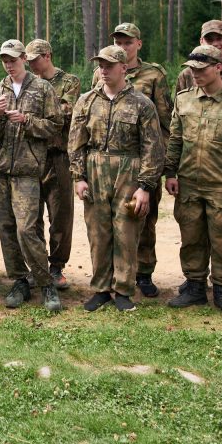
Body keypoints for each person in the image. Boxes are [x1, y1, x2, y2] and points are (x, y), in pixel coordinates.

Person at [164, 45, 222, 316]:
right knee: (191, 237)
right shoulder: (184, 100)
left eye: (201, 69)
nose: (195, 74)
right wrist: (170, 173)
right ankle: (195, 287)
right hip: (189, 183)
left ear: (218, 67)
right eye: (192, 69)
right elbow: (175, 140)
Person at [71, 45, 163, 312]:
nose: (104, 69)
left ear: (124, 68)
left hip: (129, 170)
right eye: (100, 65)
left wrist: (145, 187)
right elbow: (76, 142)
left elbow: (152, 147)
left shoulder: (142, 104)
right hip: (95, 168)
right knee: (98, 232)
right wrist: (79, 177)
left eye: (109, 65)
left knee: (126, 232)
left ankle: (123, 289)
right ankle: (101, 288)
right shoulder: (86, 101)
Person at [92, 23, 173, 297]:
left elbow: (164, 121)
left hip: (142, 161)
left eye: (128, 42)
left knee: (143, 219)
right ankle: (112, 276)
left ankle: (145, 272)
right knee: (109, 224)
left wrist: (159, 166)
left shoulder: (154, 74)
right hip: (109, 164)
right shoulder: (99, 74)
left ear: (138, 43)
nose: (123, 46)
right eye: (118, 42)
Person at [0, 41, 63, 313]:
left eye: (13, 59)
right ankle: (19, 281)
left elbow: (56, 125)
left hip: (28, 170)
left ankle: (46, 284)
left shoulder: (43, 88)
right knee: (7, 229)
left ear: (23, 58)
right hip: (1, 171)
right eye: (4, 60)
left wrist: (27, 121)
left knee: (26, 229)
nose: (9, 64)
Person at [25, 39, 81, 289]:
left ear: (47, 56)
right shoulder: (28, 83)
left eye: (35, 59)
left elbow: (65, 113)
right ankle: (37, 266)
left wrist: (31, 117)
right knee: (32, 215)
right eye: (28, 61)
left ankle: (57, 266)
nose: (31, 64)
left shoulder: (69, 81)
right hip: (32, 156)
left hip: (58, 155)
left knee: (60, 215)